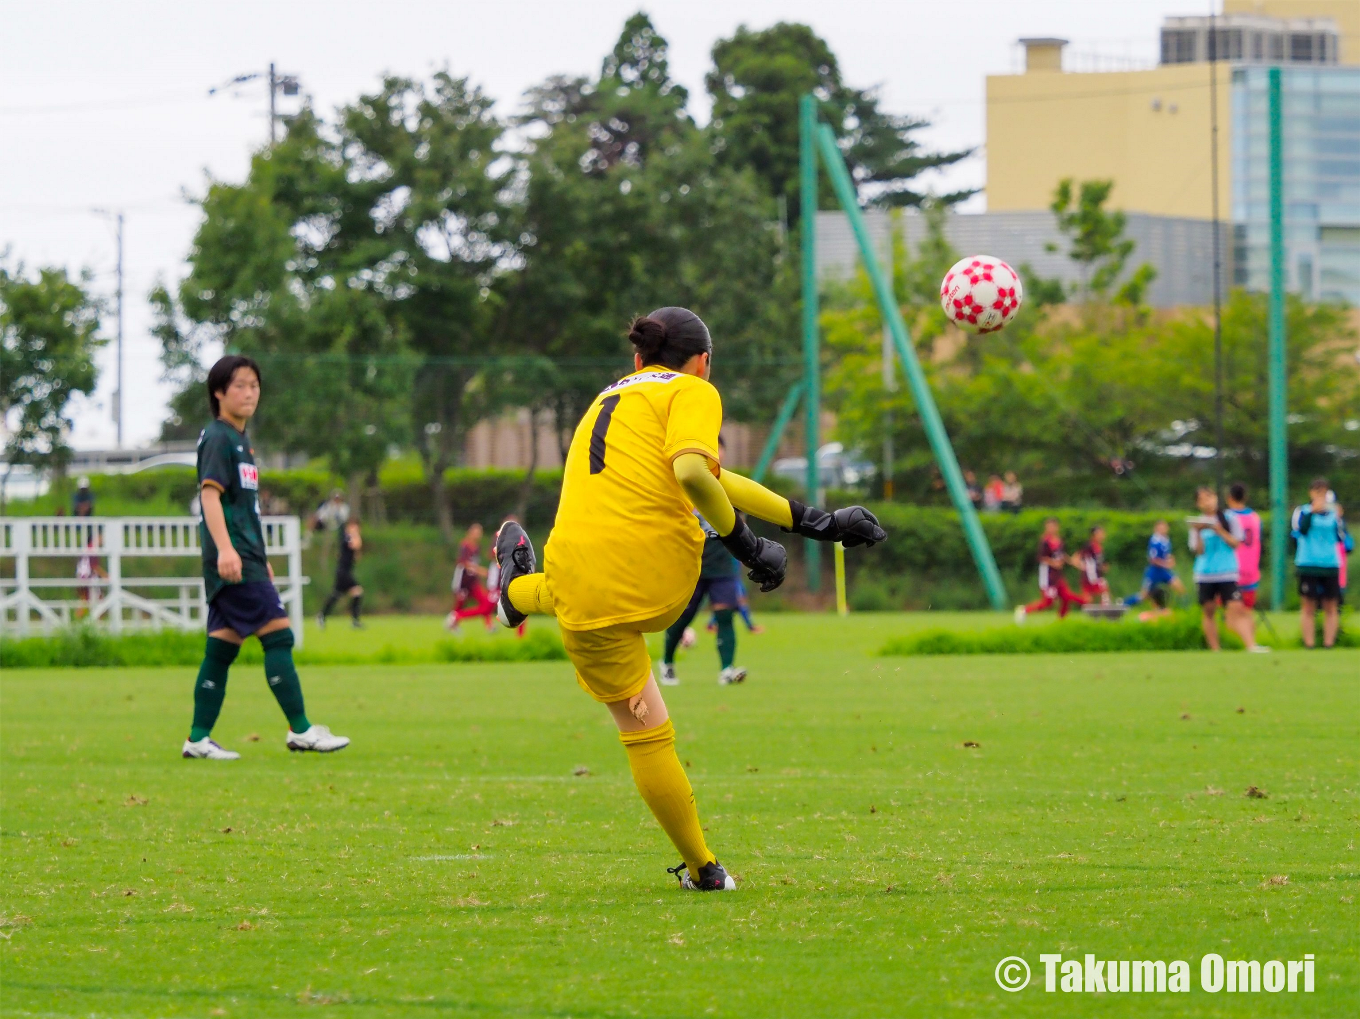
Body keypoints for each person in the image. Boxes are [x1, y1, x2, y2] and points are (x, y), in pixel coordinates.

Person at [488, 307, 885, 891]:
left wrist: (814, 522)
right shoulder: (693, 391)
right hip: (659, 582)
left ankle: (517, 592)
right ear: (702, 361)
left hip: (580, 587)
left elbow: (709, 476)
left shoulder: (605, 402)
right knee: (653, 724)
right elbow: (698, 474)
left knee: (642, 732)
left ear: (637, 359)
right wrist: (749, 548)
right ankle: (702, 869)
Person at [182, 355, 350, 760]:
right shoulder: (220, 437)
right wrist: (226, 549)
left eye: (254, 385)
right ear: (218, 392)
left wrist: (260, 556)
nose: (249, 392)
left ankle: (198, 739)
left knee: (220, 649)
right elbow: (210, 496)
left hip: (246, 557)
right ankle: (301, 730)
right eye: (239, 385)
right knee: (278, 635)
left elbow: (244, 508)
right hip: (233, 558)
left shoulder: (240, 441)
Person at [660, 513, 747, 687]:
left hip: (723, 570)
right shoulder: (685, 497)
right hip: (693, 570)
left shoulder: (728, 497)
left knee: (725, 616)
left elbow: (741, 525)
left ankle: (727, 669)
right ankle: (667, 663)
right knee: (683, 617)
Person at [1187, 486, 1267, 653]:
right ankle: (1215, 649)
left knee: (1237, 608)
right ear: (1197, 504)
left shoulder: (1229, 518)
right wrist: (1199, 531)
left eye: (1209, 497)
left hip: (1227, 571)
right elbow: (1199, 551)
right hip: (1205, 574)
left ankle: (1250, 645)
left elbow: (1236, 543)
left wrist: (1219, 530)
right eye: (1202, 499)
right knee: (1209, 611)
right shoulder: (1197, 522)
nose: (1207, 502)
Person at [1291, 478, 1349, 649]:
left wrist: (1339, 517)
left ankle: (1328, 643)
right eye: (1317, 492)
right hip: (1308, 563)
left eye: (1323, 492)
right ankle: (1309, 644)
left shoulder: (1333, 515)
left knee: (1331, 605)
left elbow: (1341, 537)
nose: (1320, 496)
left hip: (1330, 564)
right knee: (1308, 605)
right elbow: (1299, 532)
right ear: (1311, 493)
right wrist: (1312, 513)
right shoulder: (1302, 511)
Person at [1014, 517, 1087, 623]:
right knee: (1048, 602)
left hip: (1058, 575)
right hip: (1048, 575)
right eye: (1049, 526)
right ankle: (1024, 610)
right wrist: (1054, 563)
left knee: (1066, 596)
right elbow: (1042, 557)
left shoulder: (1060, 541)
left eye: (1053, 526)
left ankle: (1062, 620)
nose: (1051, 528)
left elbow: (1061, 555)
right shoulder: (1045, 542)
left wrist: (1071, 561)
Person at [1123, 519, 1184, 617]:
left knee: (1179, 587)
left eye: (1165, 526)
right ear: (1156, 528)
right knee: (1144, 595)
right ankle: (1124, 604)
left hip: (1164, 571)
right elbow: (1153, 559)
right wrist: (1166, 564)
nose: (1164, 529)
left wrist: (1171, 559)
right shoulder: (1155, 540)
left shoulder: (1166, 540)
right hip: (1154, 572)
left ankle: (1184, 609)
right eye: (1161, 527)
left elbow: (1167, 554)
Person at [446, 522, 497, 632]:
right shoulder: (465, 545)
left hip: (473, 581)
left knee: (485, 602)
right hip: (463, 581)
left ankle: (489, 625)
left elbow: (474, 564)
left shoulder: (477, 547)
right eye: (476, 532)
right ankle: (453, 622)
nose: (478, 534)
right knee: (459, 604)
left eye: (480, 532)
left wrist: (478, 572)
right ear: (470, 532)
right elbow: (464, 563)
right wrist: (480, 571)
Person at [318, 519, 364, 629]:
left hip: (344, 571)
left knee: (336, 595)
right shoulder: (347, 537)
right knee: (357, 592)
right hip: (343, 572)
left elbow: (356, 556)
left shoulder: (347, 537)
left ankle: (322, 616)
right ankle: (355, 621)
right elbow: (355, 545)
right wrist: (356, 535)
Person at [1226, 483, 1262, 609]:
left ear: (1229, 497)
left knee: (1228, 611)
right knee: (1247, 611)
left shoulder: (1227, 517)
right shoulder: (1255, 517)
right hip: (1250, 570)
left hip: (1229, 570)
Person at [1077, 525, 1110, 605]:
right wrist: (1081, 566)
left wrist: (1103, 567)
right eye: (1100, 533)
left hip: (1095, 576)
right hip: (1090, 577)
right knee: (1102, 593)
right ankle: (1105, 610)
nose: (1102, 536)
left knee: (1094, 597)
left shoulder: (1099, 548)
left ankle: (1102, 611)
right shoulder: (1089, 546)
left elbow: (1098, 562)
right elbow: (1077, 557)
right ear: (1094, 535)